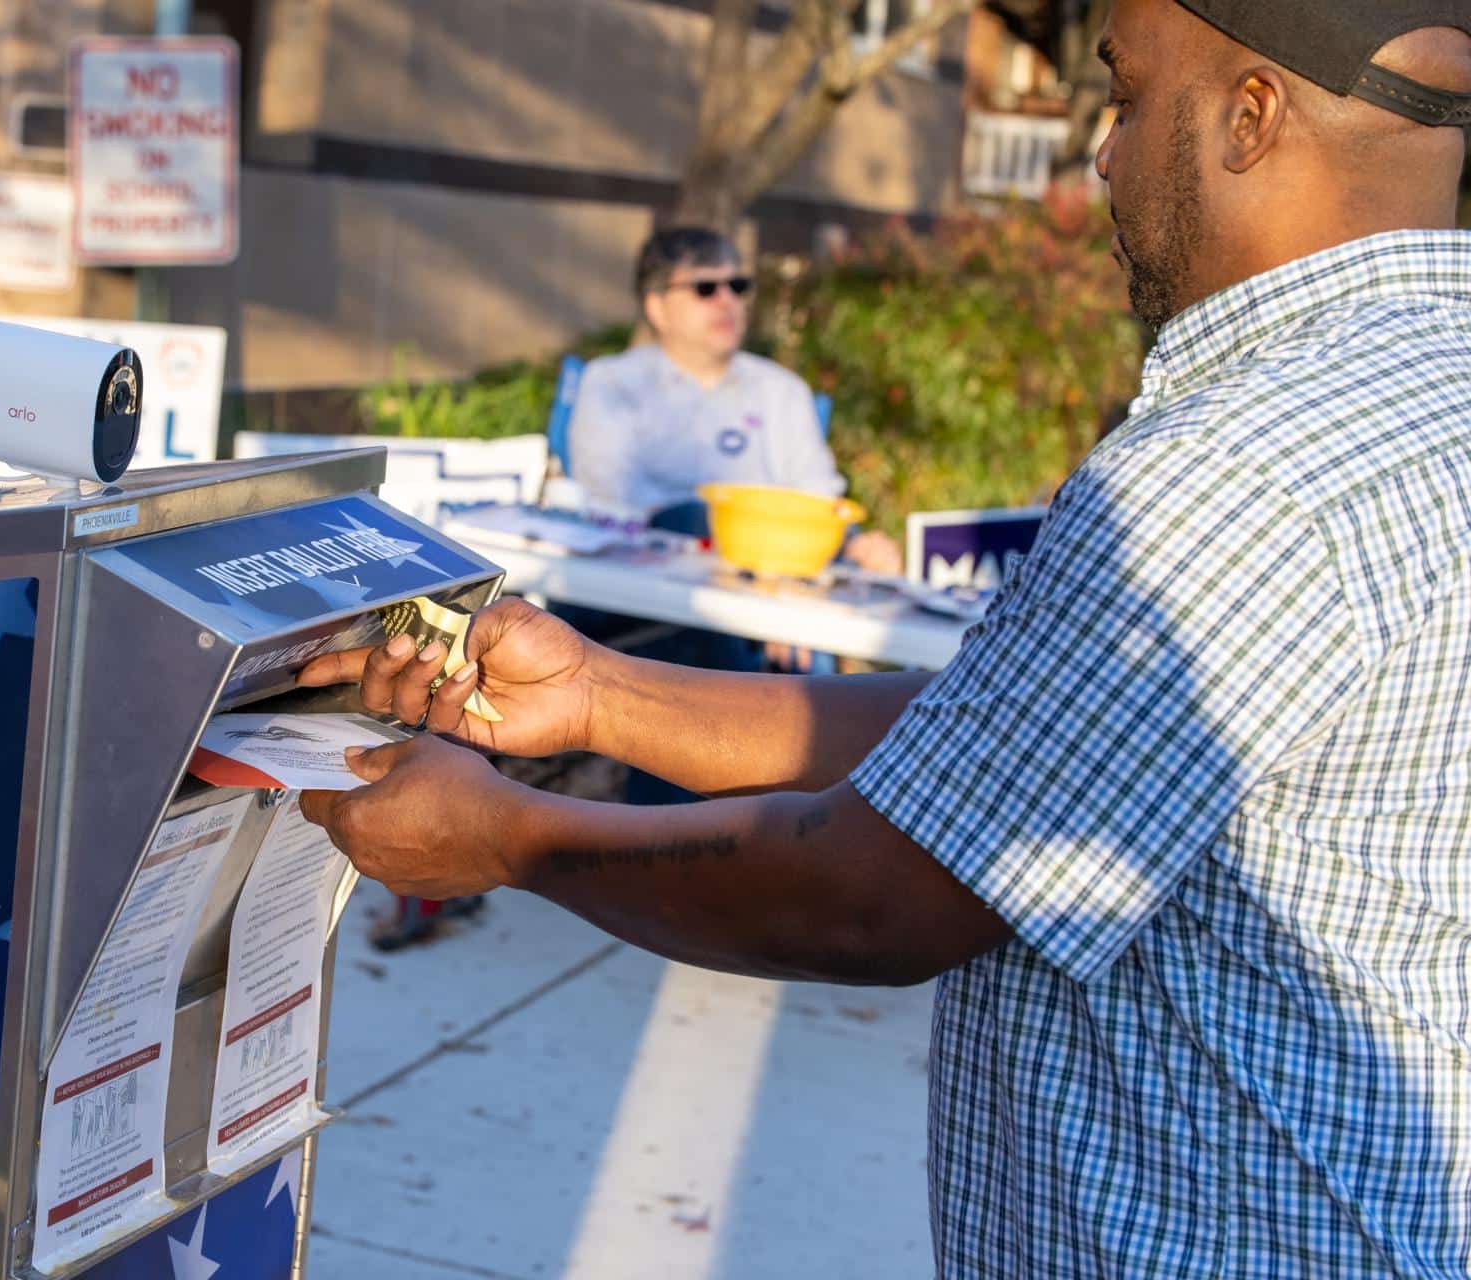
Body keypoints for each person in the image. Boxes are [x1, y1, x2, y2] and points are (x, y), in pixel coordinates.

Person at [297, 2, 1471, 1273]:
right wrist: (596, 693)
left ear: (1250, 117)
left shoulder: (1236, 465)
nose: (1103, 154)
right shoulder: (1421, 391)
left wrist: (502, 832)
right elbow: (1012, 746)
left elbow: (876, 893)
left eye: (1125, 98)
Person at [569, 225, 902, 574]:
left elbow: (819, 500)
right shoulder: (614, 383)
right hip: (645, 584)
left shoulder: (782, 390)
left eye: (738, 287)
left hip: (771, 582)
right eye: (705, 288)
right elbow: (612, 504)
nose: (727, 301)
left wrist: (856, 545)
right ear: (657, 308)